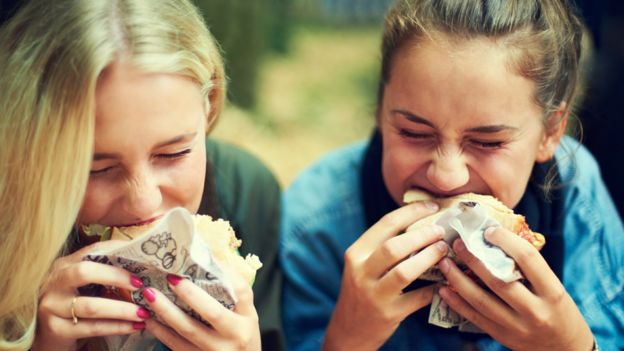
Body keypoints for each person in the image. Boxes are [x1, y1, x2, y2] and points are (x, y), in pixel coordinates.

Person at [280, 0, 624, 350]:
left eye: (487, 142)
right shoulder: (315, 222)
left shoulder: (577, 197)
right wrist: (347, 339)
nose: (446, 177)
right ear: (381, 111)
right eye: (414, 133)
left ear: (550, 133)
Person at [0, 0, 284, 350]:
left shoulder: (245, 194)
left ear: (209, 105)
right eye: (97, 170)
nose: (144, 201)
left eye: (173, 153)